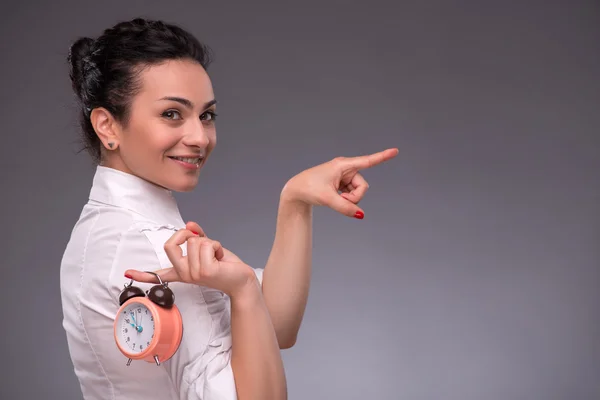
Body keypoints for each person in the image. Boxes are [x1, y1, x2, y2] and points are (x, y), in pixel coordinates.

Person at [59, 17, 398, 400]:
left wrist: (295, 202)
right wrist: (244, 292)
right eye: (172, 113)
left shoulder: (108, 228)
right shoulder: (147, 247)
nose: (200, 137)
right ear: (107, 126)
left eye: (206, 115)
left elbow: (276, 328)